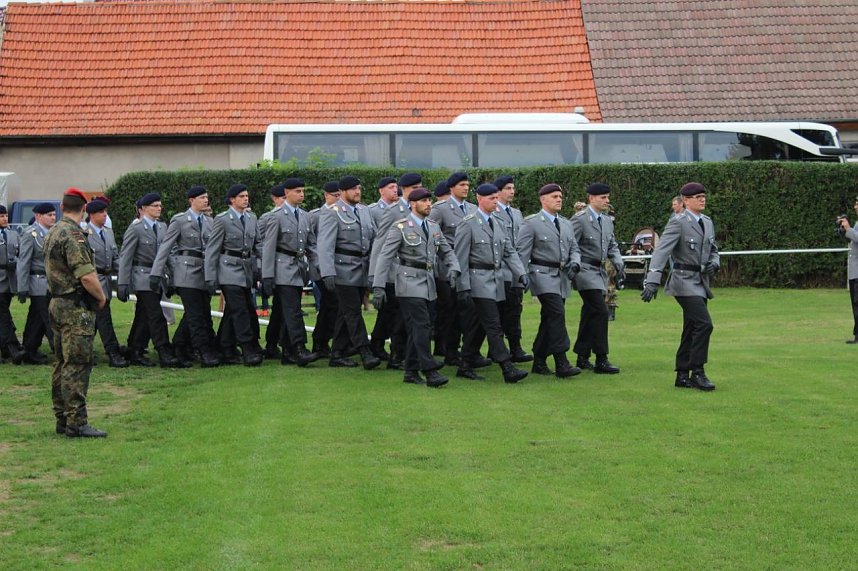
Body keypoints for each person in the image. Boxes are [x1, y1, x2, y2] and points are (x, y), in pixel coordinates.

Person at [372, 186, 459, 387]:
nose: (429, 204)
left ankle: (410, 371)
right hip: (408, 282)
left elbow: (446, 251)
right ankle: (429, 370)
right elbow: (384, 257)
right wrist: (378, 286)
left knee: (418, 328)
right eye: (424, 201)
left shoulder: (433, 227)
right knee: (422, 326)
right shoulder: (400, 227)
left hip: (428, 282)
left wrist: (454, 267)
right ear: (412, 204)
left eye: (430, 201)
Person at [642, 182, 719, 391]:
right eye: (697, 197)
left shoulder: (707, 222)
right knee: (705, 324)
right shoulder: (679, 222)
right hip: (683, 281)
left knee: (692, 326)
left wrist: (715, 262)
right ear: (685, 200)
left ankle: (683, 374)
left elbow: (713, 248)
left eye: (703, 195)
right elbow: (661, 251)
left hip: (701, 281)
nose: (702, 199)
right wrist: (652, 280)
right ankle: (698, 372)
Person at [43, 188, 108, 437]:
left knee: (61, 362)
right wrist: (101, 298)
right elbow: (87, 275)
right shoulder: (73, 235)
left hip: (57, 303)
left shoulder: (53, 231)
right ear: (83, 209)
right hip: (74, 307)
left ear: (61, 206)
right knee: (77, 364)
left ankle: (62, 417)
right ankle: (76, 421)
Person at [454, 183, 529, 383]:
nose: (496, 202)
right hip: (478, 280)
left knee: (479, 326)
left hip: (495, 281)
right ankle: (507, 367)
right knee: (494, 325)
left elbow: (509, 252)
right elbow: (460, 258)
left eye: (497, 198)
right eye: (491, 198)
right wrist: (463, 287)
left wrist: (521, 273)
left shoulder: (498, 222)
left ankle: (465, 363)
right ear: (479, 199)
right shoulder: (468, 223)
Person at [150, 185, 220, 368]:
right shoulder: (180, 220)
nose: (206, 200)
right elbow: (166, 247)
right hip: (186, 272)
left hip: (203, 272)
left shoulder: (209, 221)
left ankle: (180, 346)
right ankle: (203, 350)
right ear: (192, 200)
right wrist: (156, 273)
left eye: (207, 197)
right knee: (196, 315)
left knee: (202, 312)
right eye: (202, 197)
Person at [517, 183, 582, 378]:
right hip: (541, 275)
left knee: (549, 318)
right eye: (554, 196)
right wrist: (521, 276)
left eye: (560, 196)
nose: (559, 199)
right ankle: (561, 361)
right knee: (556, 313)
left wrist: (575, 263)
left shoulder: (566, 223)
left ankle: (539, 359)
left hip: (561, 277)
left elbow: (575, 249)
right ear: (543, 199)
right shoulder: (531, 223)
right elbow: (522, 252)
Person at [316, 175, 380, 369]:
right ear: (343, 192)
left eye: (359, 188)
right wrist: (327, 272)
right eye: (353, 189)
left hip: (362, 268)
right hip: (342, 269)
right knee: (352, 311)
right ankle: (365, 351)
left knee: (346, 313)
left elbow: (374, 238)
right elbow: (325, 245)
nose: (358, 192)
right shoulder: (332, 213)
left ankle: (336, 353)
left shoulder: (365, 211)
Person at [117, 192, 186, 368]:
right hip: (142, 276)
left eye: (160, 205)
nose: (159, 208)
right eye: (155, 206)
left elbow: (168, 253)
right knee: (156, 316)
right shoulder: (136, 228)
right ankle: (163, 350)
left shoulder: (162, 227)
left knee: (144, 315)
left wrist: (172, 277)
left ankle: (135, 349)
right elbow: (126, 257)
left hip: (158, 276)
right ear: (144, 209)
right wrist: (123, 282)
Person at [261, 177, 318, 366]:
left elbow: (311, 245)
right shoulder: (275, 216)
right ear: (286, 193)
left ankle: (286, 350)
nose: (301, 194)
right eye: (297, 191)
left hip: (298, 267)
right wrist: (267, 275)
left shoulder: (305, 216)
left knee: (283, 310)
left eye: (302, 191)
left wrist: (317, 267)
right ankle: (300, 347)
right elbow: (268, 248)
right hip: (282, 267)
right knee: (293, 310)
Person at [205, 183, 264, 366]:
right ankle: (247, 348)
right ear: (232, 200)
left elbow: (258, 246)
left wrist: (263, 268)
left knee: (236, 310)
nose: (246, 199)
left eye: (247, 196)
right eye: (241, 196)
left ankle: (224, 346)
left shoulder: (252, 218)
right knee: (240, 310)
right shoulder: (222, 220)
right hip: (228, 269)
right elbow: (212, 250)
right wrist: (210, 277)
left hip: (245, 269)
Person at [570, 183, 624, 374]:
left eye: (608, 197)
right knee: (601, 311)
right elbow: (570, 244)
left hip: (599, 272)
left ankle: (582, 356)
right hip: (584, 271)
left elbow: (612, 245)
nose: (607, 201)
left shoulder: (607, 221)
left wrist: (618, 262)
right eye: (603, 197)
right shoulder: (580, 220)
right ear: (591, 198)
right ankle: (602, 358)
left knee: (590, 313)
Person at [429, 171, 481, 367]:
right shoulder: (440, 209)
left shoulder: (473, 209)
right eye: (461, 185)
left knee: (466, 310)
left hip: (468, 267)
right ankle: (448, 350)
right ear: (451, 188)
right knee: (448, 311)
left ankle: (462, 348)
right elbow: (432, 235)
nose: (466, 188)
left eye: (467, 184)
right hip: (446, 268)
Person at [492, 174, 531, 363]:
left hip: (516, 269)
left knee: (515, 309)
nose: (512, 192)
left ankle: (516, 347)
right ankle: (497, 349)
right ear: (498, 192)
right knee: (500, 310)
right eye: (507, 188)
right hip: (500, 270)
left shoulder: (516, 213)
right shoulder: (492, 212)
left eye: (513, 188)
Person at [84, 199, 128, 367]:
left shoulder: (108, 233)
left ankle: (84, 351)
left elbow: (115, 258)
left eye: (105, 212)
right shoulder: (84, 234)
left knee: (95, 320)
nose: (105, 215)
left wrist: (124, 274)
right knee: (103, 317)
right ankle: (113, 352)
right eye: (102, 212)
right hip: (92, 280)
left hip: (106, 280)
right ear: (92, 215)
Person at [367, 176, 402, 365]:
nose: (395, 190)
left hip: (398, 267)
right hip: (385, 266)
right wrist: (374, 275)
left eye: (396, 187)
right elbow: (377, 242)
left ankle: (378, 344)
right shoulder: (374, 211)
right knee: (389, 310)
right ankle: (379, 345)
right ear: (381, 190)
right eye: (390, 187)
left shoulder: (404, 209)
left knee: (390, 311)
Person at [15, 201, 56, 364]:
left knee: (36, 318)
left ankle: (28, 349)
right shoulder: (30, 234)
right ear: (38, 216)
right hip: (37, 282)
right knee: (48, 318)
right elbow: (24, 262)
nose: (53, 217)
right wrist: (22, 287)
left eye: (54, 214)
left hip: (51, 281)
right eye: (49, 215)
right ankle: (59, 349)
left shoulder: (54, 233)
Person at [307, 181, 340, 358]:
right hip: (321, 269)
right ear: (326, 195)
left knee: (331, 305)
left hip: (340, 267)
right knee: (331, 303)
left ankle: (323, 341)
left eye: (339, 195)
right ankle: (322, 341)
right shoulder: (315, 216)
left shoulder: (343, 213)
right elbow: (312, 243)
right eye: (334, 195)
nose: (337, 199)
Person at [257, 182, 288, 359]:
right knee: (281, 308)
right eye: (282, 198)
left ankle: (275, 341)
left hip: (286, 268)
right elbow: (261, 244)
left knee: (281, 308)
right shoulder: (268, 218)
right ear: (275, 199)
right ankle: (274, 342)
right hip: (274, 267)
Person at [0, 204, 26, 362]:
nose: (4, 219)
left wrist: (15, 262)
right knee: (3, 314)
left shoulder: (13, 234)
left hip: (9, 281)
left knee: (2, 314)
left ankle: (5, 349)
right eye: (1, 216)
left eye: (5, 216)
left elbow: (20, 253)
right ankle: (12, 346)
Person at [838, 196, 858, 344]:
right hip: (854, 271)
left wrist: (849, 227)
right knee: (855, 304)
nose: (855, 206)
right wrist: (843, 229)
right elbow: (852, 239)